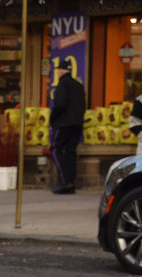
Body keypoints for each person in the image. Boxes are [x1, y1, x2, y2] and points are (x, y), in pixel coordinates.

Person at [49, 59, 86, 194]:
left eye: (58, 70)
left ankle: (65, 182)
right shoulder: (78, 86)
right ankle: (71, 181)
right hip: (77, 124)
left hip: (63, 123)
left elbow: (60, 104)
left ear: (60, 71)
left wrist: (53, 119)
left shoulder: (63, 84)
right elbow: (83, 106)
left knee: (55, 149)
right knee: (70, 152)